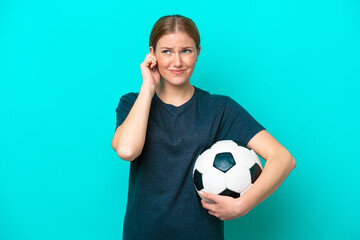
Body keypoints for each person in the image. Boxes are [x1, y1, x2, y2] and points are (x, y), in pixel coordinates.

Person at [111, 14, 296, 240]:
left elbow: (283, 158)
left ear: (198, 52)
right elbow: (127, 150)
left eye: (186, 51)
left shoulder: (219, 108)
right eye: (166, 51)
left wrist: (243, 205)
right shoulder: (132, 102)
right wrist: (148, 87)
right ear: (152, 53)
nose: (177, 62)